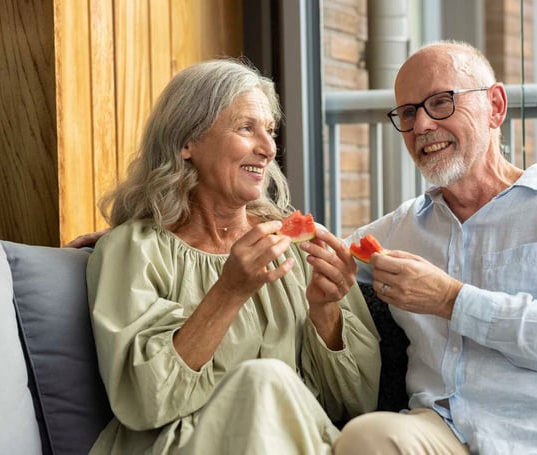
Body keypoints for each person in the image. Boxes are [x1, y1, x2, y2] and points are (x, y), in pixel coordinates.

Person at [333, 41, 537, 455]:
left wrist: (452, 299)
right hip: (450, 432)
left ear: (496, 106)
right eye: (409, 112)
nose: (422, 126)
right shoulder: (401, 227)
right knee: (367, 439)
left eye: (441, 102)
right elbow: (325, 253)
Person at [84, 59, 380, 454]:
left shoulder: (291, 249)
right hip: (180, 445)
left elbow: (356, 403)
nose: (269, 147)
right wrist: (229, 290)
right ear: (186, 142)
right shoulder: (133, 250)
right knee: (264, 380)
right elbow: (145, 402)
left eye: (270, 131)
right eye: (246, 128)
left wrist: (325, 311)